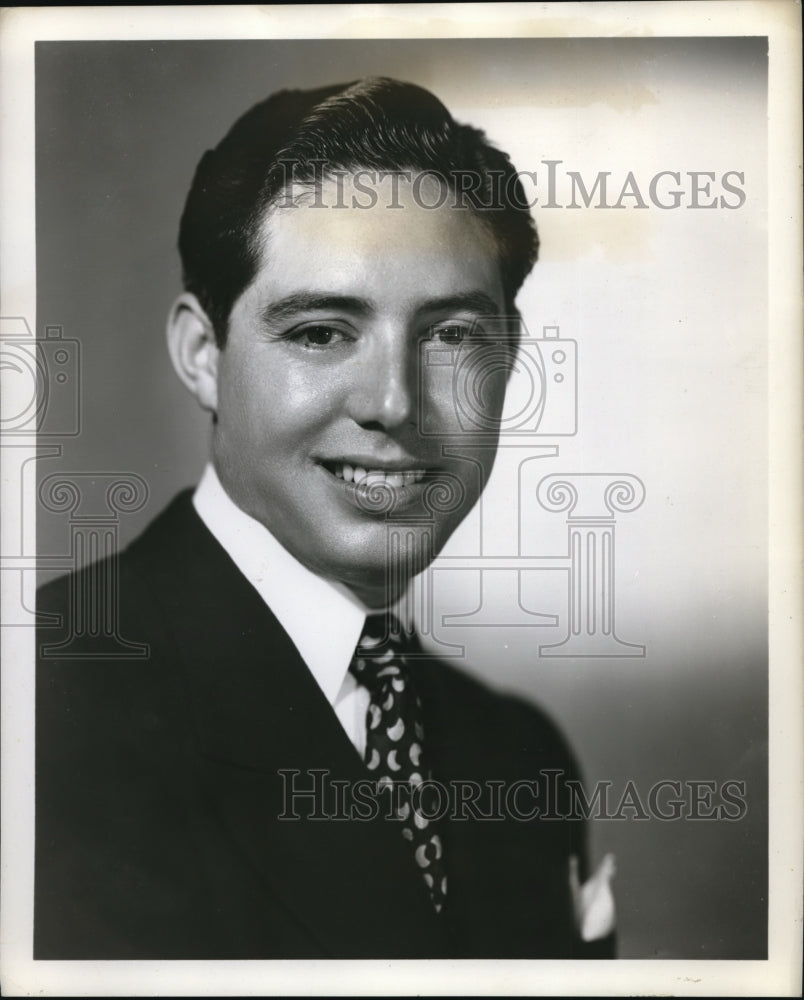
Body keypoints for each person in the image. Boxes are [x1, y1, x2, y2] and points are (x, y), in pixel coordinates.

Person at [35, 77, 615, 959]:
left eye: (452, 335)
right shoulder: (43, 704)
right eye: (321, 332)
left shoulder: (518, 754)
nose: (394, 402)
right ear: (202, 354)